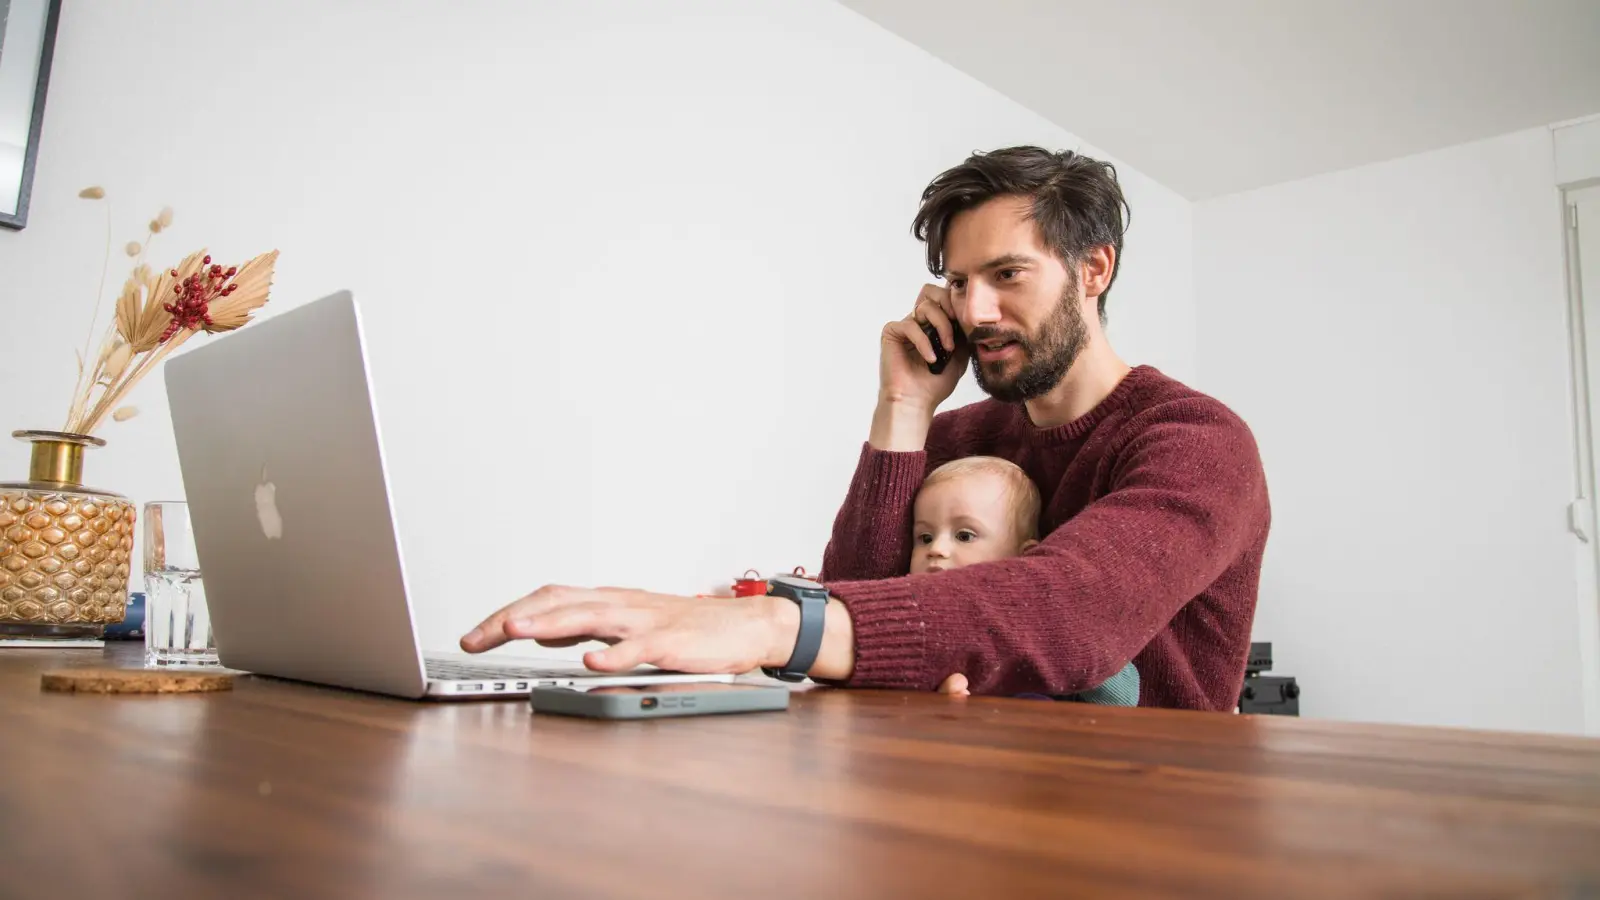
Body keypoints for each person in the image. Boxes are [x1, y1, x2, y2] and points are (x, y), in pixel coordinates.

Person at [460, 145, 1270, 711]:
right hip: (982, 795)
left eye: (1008, 274)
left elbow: (1077, 612)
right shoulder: (956, 440)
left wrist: (774, 622)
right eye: (958, 282)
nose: (976, 311)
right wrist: (905, 411)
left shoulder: (1198, 443)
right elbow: (867, 598)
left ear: (1094, 270)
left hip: (1157, 824)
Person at [912, 455, 1139, 705]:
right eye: (924, 537)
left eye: (964, 536)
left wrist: (1064, 640)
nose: (937, 548)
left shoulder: (1047, 624)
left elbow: (1122, 696)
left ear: (1024, 558)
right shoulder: (916, 622)